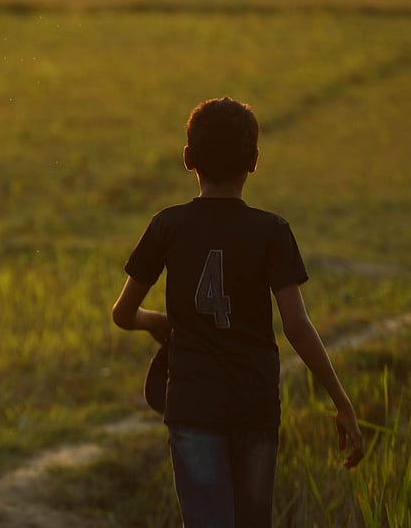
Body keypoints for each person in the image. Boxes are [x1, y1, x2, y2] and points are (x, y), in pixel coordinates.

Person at [112, 97, 364, 528]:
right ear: (254, 161)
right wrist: (342, 403)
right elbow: (297, 327)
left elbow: (123, 313)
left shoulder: (166, 226)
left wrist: (157, 323)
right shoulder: (272, 231)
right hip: (254, 405)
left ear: (188, 158)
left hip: (192, 406)